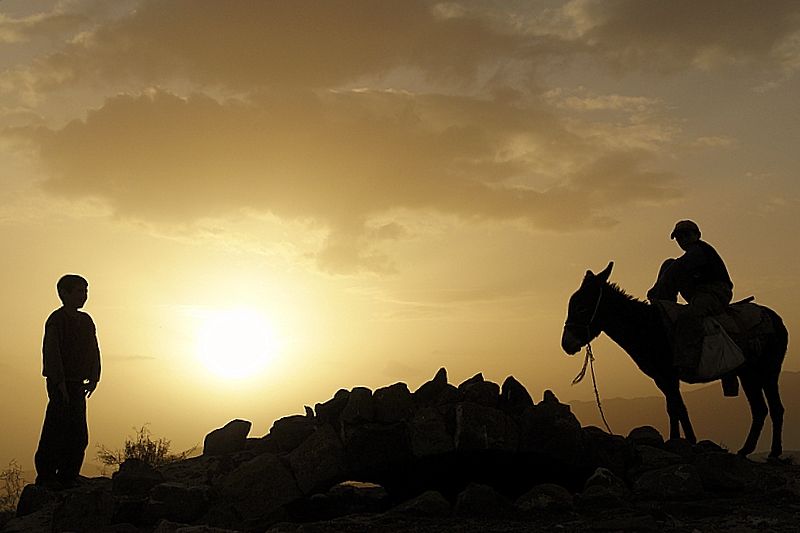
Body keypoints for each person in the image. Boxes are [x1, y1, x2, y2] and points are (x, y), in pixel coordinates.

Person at [647, 220, 739, 396]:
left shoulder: (699, 251)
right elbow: (672, 269)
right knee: (668, 263)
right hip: (697, 294)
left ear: (697, 235)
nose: (682, 239)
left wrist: (654, 291)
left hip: (714, 293)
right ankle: (662, 305)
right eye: (679, 237)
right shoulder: (688, 257)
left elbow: (676, 269)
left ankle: (687, 362)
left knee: (688, 317)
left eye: (686, 235)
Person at [34, 274, 101, 489]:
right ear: (64, 293)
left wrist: (94, 377)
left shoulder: (86, 321)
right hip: (60, 383)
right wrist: (59, 382)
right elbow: (52, 352)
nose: (84, 296)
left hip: (78, 384)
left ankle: (68, 475)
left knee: (78, 432)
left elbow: (94, 350)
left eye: (85, 291)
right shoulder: (57, 320)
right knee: (56, 428)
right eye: (79, 291)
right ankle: (46, 476)